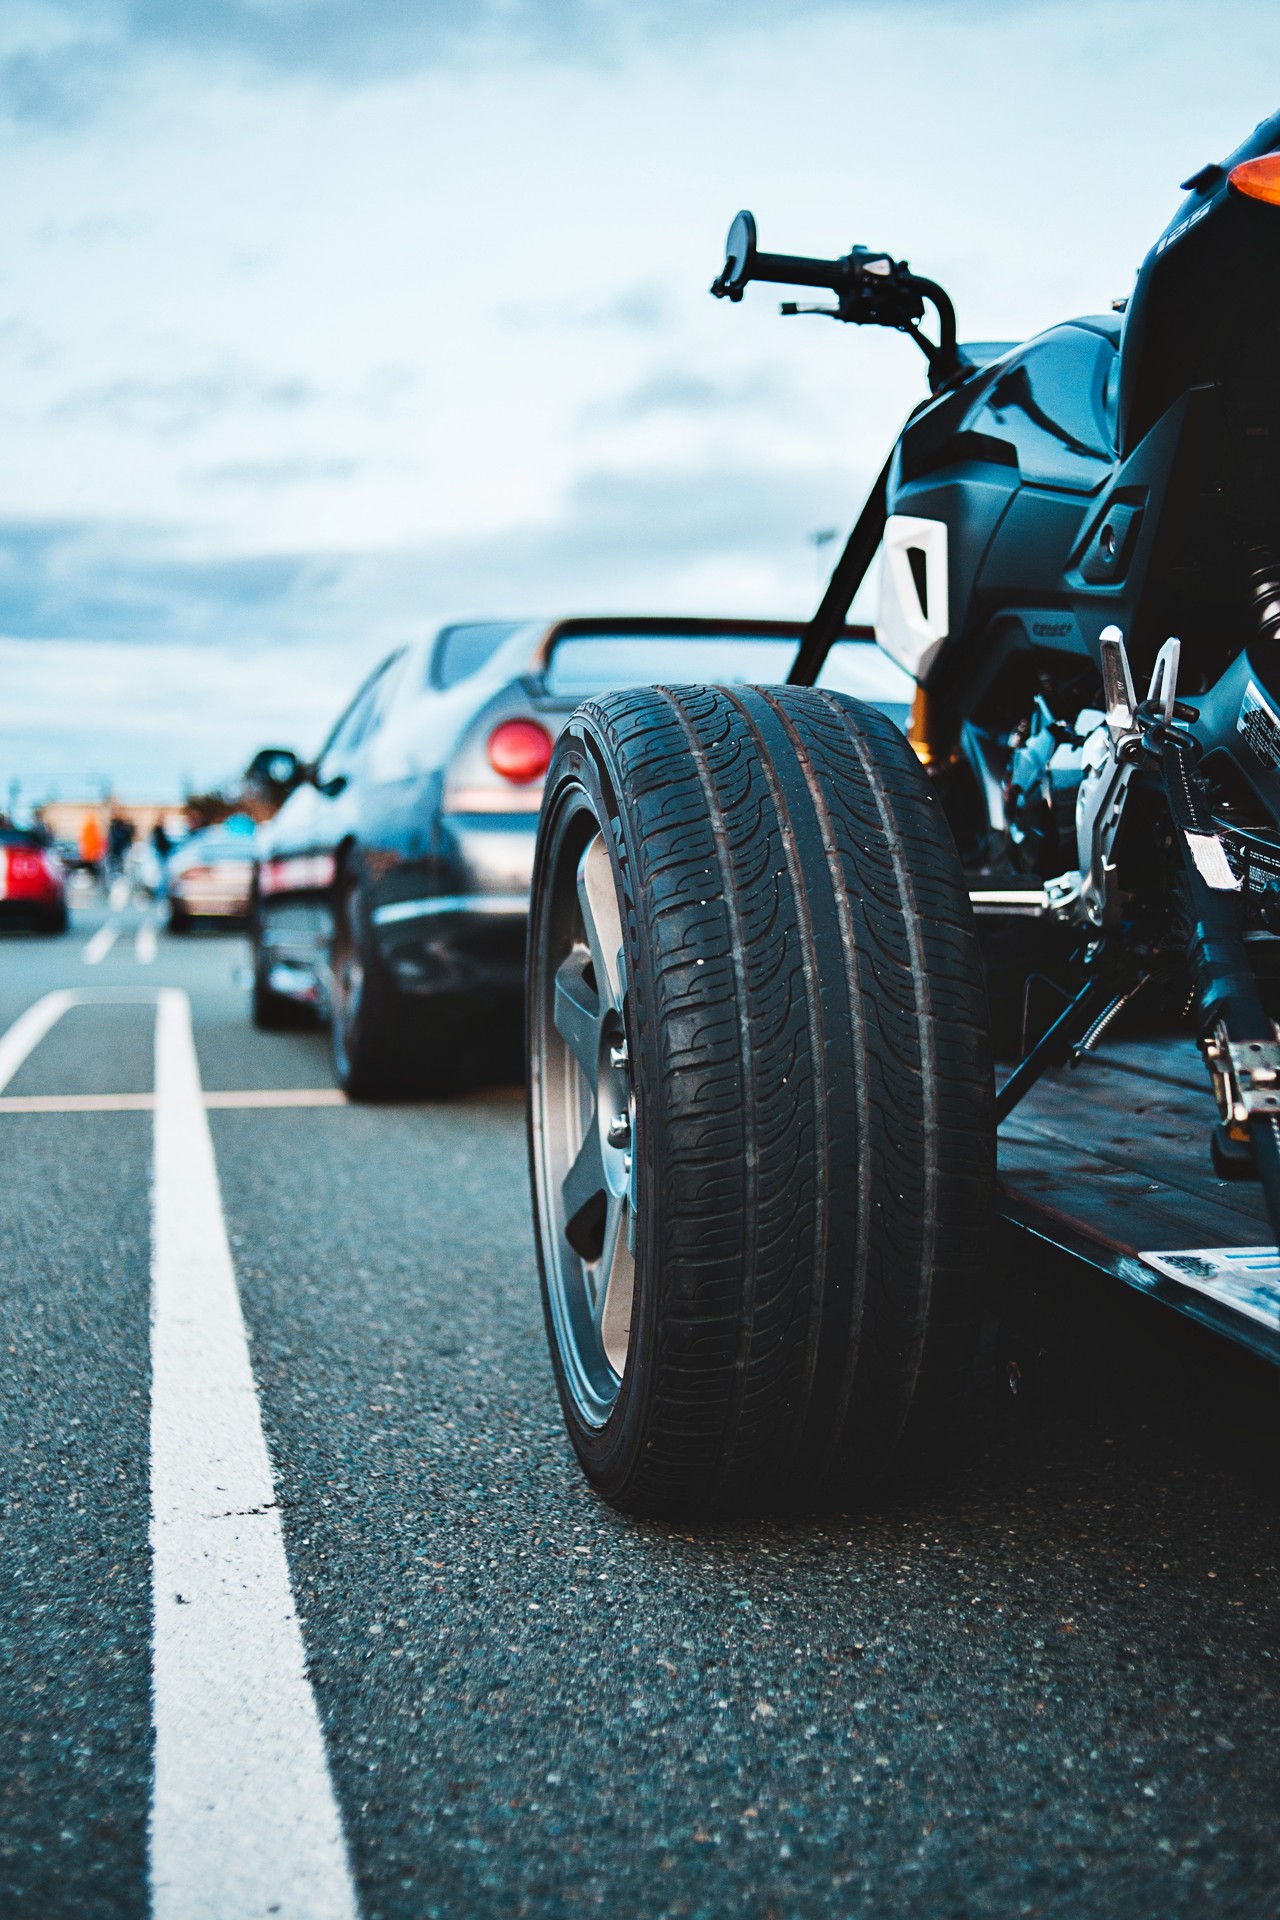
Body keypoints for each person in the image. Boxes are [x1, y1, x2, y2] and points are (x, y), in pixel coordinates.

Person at [79, 812, 105, 878]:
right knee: (92, 872)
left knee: (91, 872)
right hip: (91, 857)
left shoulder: (89, 830)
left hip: (90, 857)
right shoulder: (91, 830)